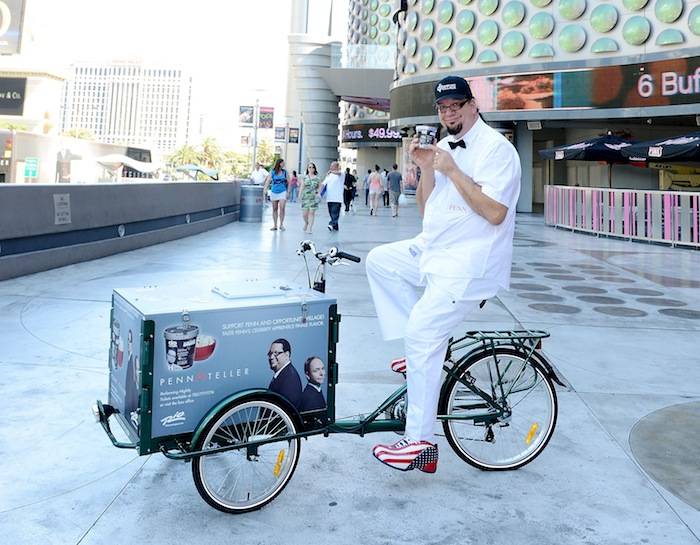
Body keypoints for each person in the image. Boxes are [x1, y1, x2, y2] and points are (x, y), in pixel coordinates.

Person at [366, 75, 521, 473]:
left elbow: (495, 213)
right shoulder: (445, 147)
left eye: (456, 105)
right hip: (436, 249)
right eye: (443, 108)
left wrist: (452, 170)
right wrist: (427, 170)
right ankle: (423, 354)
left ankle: (420, 442)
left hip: (470, 263)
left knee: (422, 332)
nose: (449, 113)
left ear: (473, 105)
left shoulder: (497, 149)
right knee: (381, 261)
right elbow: (427, 210)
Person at [267, 338, 302, 409]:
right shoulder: (283, 374)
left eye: (276, 353)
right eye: (270, 354)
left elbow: (287, 409)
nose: (271, 357)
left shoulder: (290, 378)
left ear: (287, 354)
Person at [263, 158, 288, 231]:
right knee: (274, 208)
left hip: (283, 191)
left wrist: (288, 192)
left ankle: (281, 224)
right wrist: (265, 189)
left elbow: (289, 182)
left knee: (282, 208)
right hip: (274, 191)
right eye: (283, 163)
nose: (284, 164)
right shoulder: (273, 172)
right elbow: (268, 181)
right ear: (279, 164)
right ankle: (275, 225)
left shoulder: (285, 172)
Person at [321, 161, 344, 231]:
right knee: (331, 213)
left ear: (336, 167)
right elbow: (323, 184)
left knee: (335, 213)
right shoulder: (329, 175)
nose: (330, 167)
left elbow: (338, 173)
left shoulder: (342, 174)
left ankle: (331, 224)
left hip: (337, 199)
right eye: (330, 166)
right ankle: (335, 226)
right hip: (329, 198)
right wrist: (318, 191)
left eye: (332, 166)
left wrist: (331, 172)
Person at [299, 162, 321, 234]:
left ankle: (309, 228)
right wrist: (299, 195)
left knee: (311, 213)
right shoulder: (304, 177)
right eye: (309, 167)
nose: (311, 169)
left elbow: (319, 187)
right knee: (304, 214)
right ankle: (306, 223)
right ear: (307, 169)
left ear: (314, 169)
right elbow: (302, 186)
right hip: (305, 197)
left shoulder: (317, 178)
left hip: (313, 197)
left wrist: (318, 193)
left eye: (312, 167)